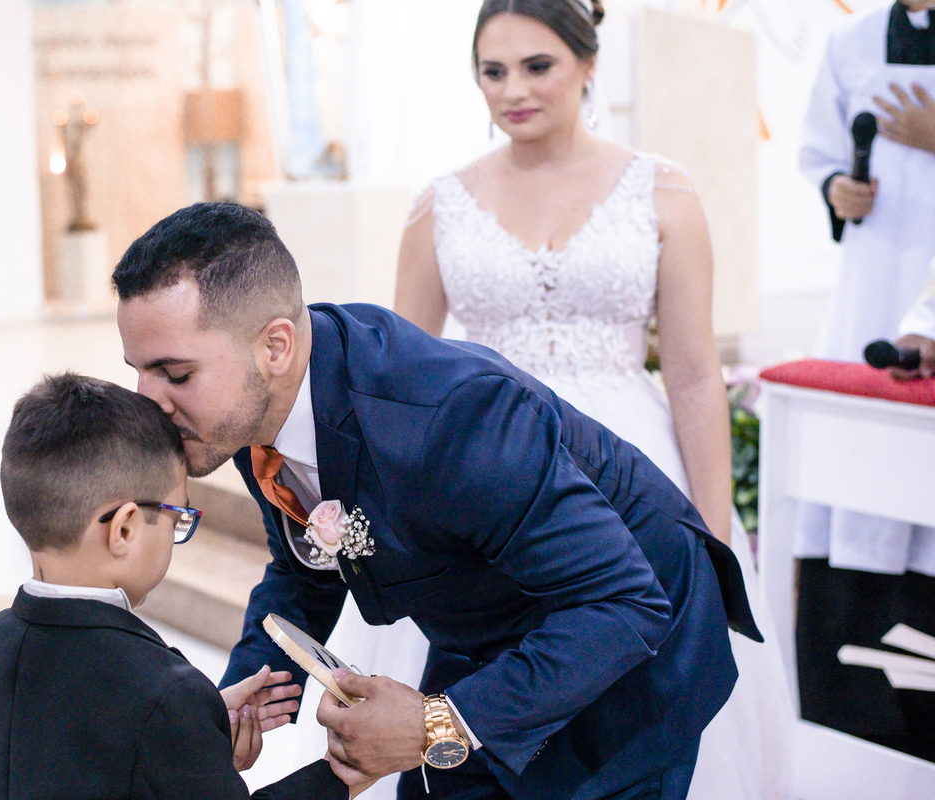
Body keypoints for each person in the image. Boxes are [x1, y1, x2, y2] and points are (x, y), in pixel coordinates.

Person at [113, 200, 761, 800]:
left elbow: (625, 602)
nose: (148, 402)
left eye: (175, 374)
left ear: (275, 346)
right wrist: (244, 691)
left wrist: (434, 722)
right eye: (137, 371)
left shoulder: (448, 418)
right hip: (488, 632)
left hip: (627, 646)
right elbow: (303, 565)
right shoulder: (253, 411)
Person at [338, 1, 793, 798]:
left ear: (587, 64)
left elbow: (691, 375)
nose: (513, 89)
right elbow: (399, 384)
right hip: (484, 471)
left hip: (634, 471)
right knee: (491, 673)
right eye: (492, 70)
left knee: (642, 674)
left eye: (536, 65)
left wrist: (714, 537)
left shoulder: (663, 192)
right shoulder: (439, 206)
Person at [0, 373, 372, 799]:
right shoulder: (165, 693)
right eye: (178, 518)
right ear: (124, 530)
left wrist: (199, 730)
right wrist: (339, 775)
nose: (178, 533)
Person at [795, 0, 935, 760]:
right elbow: (819, 149)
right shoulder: (848, 40)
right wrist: (836, 191)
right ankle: (854, 719)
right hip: (872, 285)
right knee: (858, 488)